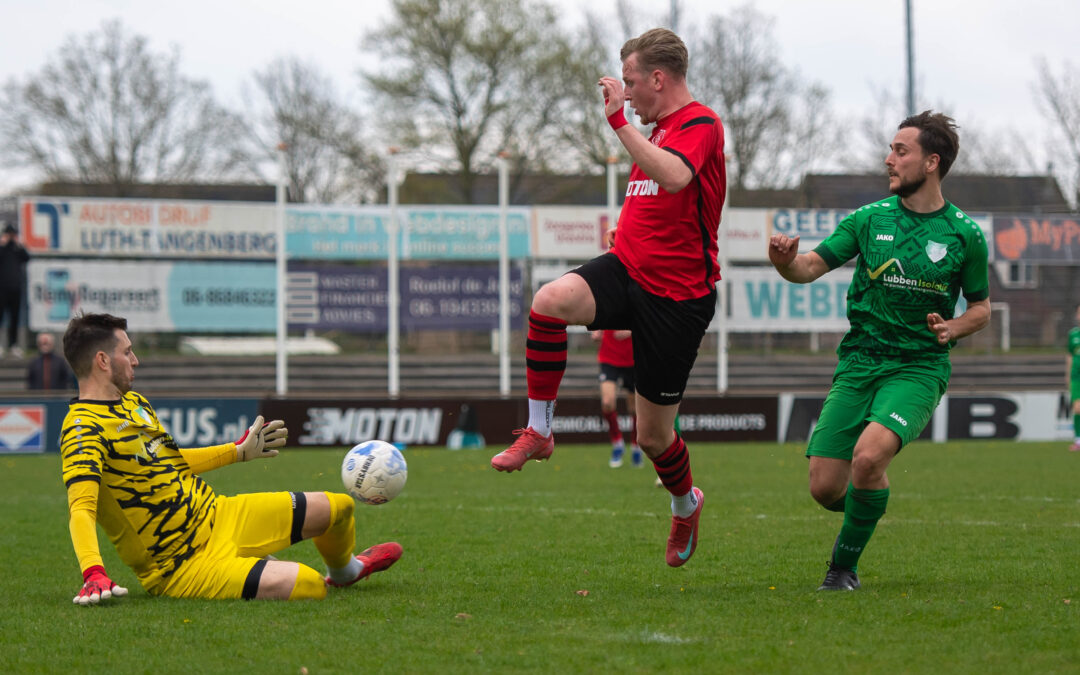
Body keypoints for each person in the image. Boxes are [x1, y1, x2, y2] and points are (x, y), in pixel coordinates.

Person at [491, 27, 726, 569]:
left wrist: (618, 122)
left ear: (658, 79)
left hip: (678, 297)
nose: (624, 93)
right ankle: (540, 430)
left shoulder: (699, 124)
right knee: (549, 300)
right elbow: (652, 199)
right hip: (629, 271)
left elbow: (673, 178)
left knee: (653, 436)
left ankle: (685, 502)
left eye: (630, 82)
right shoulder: (659, 130)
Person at [767, 111, 991, 591]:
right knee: (825, 487)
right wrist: (785, 262)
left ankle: (841, 569)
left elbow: (982, 309)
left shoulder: (964, 234)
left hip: (918, 368)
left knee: (868, 459)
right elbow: (809, 267)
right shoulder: (869, 220)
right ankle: (871, 502)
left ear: (932, 162)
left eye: (900, 151)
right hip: (860, 363)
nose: (889, 160)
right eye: (890, 150)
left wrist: (953, 329)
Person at [60, 313, 401, 604]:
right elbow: (82, 509)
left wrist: (236, 452)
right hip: (182, 564)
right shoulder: (82, 429)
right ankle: (265, 566)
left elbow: (171, 462)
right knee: (308, 585)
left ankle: (346, 573)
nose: (135, 360)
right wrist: (94, 571)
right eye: (128, 352)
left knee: (339, 507)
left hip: (219, 515)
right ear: (103, 361)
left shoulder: (133, 402)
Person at [591, 329, 643, 467]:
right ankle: (618, 444)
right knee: (607, 403)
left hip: (633, 358)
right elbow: (599, 314)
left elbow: (649, 319)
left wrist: (632, 330)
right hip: (609, 357)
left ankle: (636, 447)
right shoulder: (607, 305)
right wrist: (597, 331)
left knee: (635, 408)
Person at [0, 222, 29, 358]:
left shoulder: (17, 249)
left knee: (14, 318)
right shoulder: (2, 248)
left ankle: (13, 344)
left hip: (16, 289)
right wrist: (3, 244)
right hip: (2, 289)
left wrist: (19, 244)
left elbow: (26, 258)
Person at [1068, 304, 1080, 451]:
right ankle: (1078, 440)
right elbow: (1070, 356)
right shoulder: (1073, 335)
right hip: (1076, 377)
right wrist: (1067, 376)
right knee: (1077, 408)